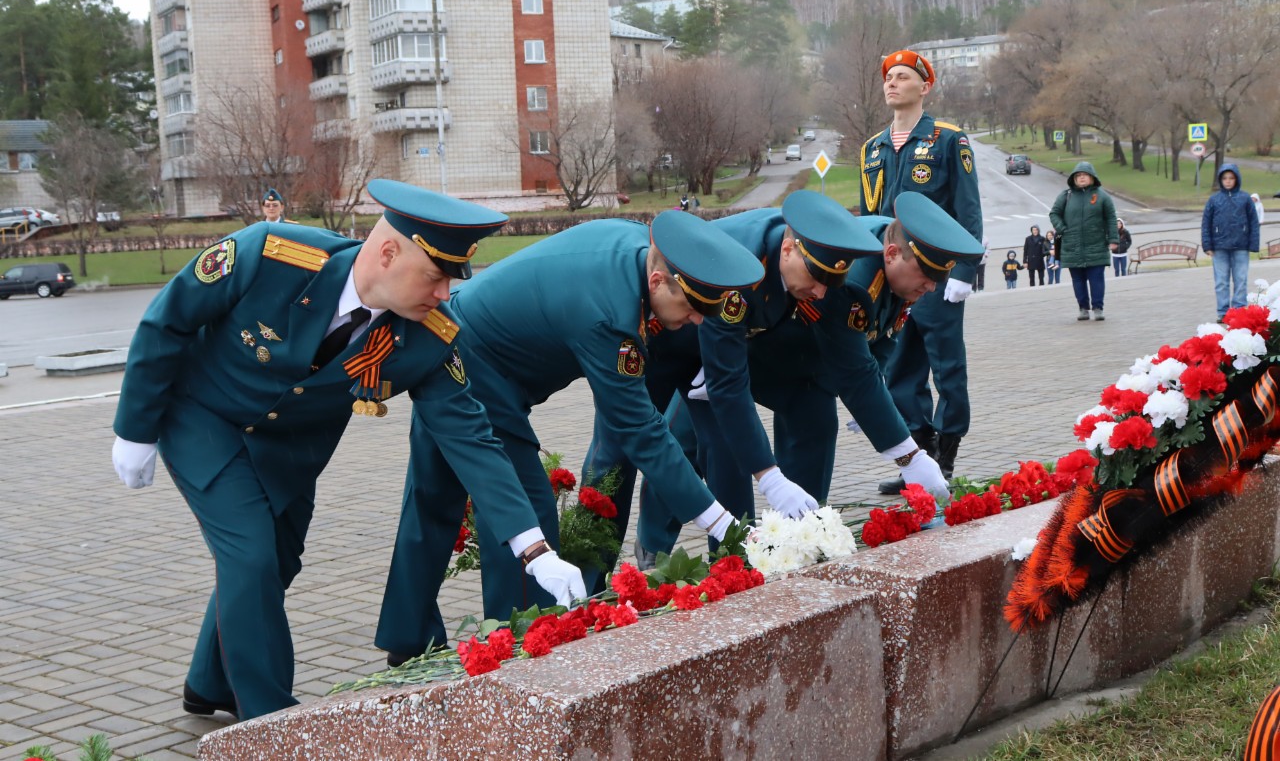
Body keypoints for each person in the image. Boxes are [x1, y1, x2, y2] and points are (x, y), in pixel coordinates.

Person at [109, 179, 586, 722]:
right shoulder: (269, 254)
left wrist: (534, 549)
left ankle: (208, 683)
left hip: (290, 452)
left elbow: (472, 440)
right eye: (434, 276)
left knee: (276, 563)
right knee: (251, 555)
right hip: (204, 419)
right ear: (388, 253)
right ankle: (270, 723)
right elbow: (168, 319)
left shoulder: (429, 335)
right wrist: (135, 428)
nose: (443, 294)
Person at [376, 210, 766, 658]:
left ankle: (408, 641)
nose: (697, 321)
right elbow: (640, 429)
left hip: (451, 337)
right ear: (658, 281)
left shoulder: (635, 249)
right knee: (527, 506)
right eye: (692, 308)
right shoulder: (609, 316)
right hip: (478, 365)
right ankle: (522, 649)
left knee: (432, 498)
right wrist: (718, 520)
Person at [623, 190, 886, 562]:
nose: (820, 291)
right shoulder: (749, 256)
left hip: (726, 347)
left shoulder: (799, 268)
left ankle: (741, 555)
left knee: (728, 446)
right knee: (677, 444)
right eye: (816, 277)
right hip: (676, 339)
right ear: (789, 250)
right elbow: (725, 367)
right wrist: (771, 478)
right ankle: (653, 541)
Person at [859, 49, 984, 490]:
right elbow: (869, 217)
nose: (892, 83)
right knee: (898, 369)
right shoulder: (872, 148)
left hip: (937, 276)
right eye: (888, 77)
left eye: (902, 77)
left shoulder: (948, 139)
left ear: (924, 87)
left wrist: (965, 270)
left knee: (947, 367)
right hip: (891, 277)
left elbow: (968, 209)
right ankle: (917, 463)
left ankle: (945, 459)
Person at [1050, 162, 1118, 322]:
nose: (1081, 178)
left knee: (1097, 279)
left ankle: (1098, 308)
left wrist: (1113, 239)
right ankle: (1083, 308)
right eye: (1078, 175)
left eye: (1085, 175)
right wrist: (1062, 229)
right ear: (1073, 179)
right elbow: (1054, 214)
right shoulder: (1066, 196)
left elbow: (1111, 218)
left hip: (1096, 245)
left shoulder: (1102, 196)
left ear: (1092, 177)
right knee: (1078, 280)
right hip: (1072, 246)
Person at [1201, 163, 1260, 323]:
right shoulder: (1214, 200)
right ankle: (1223, 312)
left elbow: (1253, 222)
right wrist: (1207, 245)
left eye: (1231, 178)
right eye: (1225, 178)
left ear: (1237, 179)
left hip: (1241, 246)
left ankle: (1239, 310)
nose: (1228, 181)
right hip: (1219, 247)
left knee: (1241, 280)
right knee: (1221, 281)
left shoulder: (1245, 199)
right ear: (1220, 180)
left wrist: (1253, 244)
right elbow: (1206, 223)